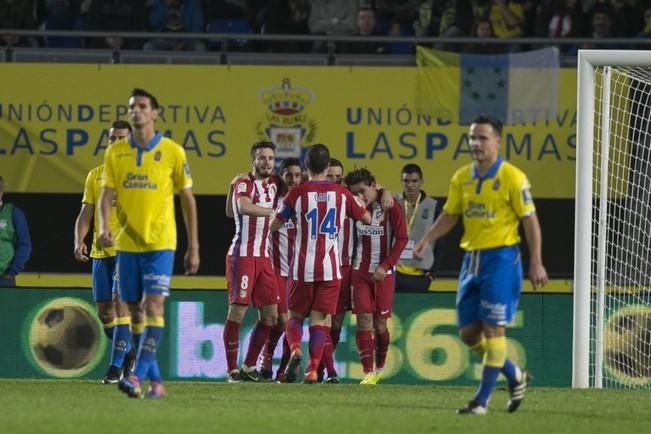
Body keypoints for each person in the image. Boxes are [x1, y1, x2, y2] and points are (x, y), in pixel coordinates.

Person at [413, 115, 548, 415]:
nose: (475, 143)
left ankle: (481, 401)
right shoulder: (461, 177)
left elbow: (530, 222)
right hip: (470, 261)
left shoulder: (513, 177)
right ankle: (514, 375)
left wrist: (536, 262)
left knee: (493, 330)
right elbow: (450, 215)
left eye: (482, 137)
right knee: (468, 334)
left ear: (498, 142)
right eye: (472, 137)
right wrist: (428, 240)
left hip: (501, 259)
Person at [98, 88, 200, 399]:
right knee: (134, 312)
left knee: (153, 306)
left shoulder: (172, 152)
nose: (136, 111)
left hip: (160, 243)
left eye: (143, 106)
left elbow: (187, 200)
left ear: (154, 113)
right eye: (132, 107)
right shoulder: (115, 153)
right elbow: (105, 196)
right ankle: (156, 382)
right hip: (127, 244)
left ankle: (136, 377)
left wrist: (193, 245)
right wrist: (104, 227)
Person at [270, 144, 371, 384]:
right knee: (319, 320)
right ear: (327, 167)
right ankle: (313, 369)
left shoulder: (297, 194)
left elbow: (276, 223)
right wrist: (360, 202)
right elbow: (365, 218)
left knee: (295, 316)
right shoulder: (342, 194)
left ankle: (295, 348)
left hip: (301, 267)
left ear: (306, 167)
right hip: (331, 267)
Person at [74, 120, 138, 384]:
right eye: (113, 138)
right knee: (104, 312)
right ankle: (129, 350)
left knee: (119, 301)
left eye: (122, 138)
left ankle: (114, 368)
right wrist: (79, 239)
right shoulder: (95, 175)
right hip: (101, 253)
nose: (117, 143)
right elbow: (85, 213)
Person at [223, 141, 283, 383]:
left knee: (270, 316)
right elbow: (242, 207)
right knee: (237, 311)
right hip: (242, 256)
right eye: (262, 158)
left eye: (270, 158)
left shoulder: (275, 185)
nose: (267, 162)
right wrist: (272, 213)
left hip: (264, 258)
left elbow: (229, 212)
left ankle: (248, 366)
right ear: (253, 161)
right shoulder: (245, 183)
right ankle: (231, 371)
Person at [345, 168, 408, 385]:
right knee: (364, 322)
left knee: (380, 325)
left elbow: (402, 239)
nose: (360, 197)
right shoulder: (353, 205)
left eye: (363, 191)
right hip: (360, 272)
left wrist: (386, 265)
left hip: (384, 274)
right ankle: (368, 373)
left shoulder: (390, 205)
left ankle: (380, 367)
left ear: (373, 186)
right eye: (355, 193)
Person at [259, 157, 303, 382]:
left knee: (289, 320)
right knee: (281, 318)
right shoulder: (274, 196)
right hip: (275, 267)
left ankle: (281, 371)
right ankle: (266, 354)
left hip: (299, 272)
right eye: (289, 175)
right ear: (282, 175)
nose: (293, 179)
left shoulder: (305, 199)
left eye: (297, 175)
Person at [394, 164, 440, 292]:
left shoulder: (432, 206)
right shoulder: (394, 203)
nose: (410, 185)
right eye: (406, 181)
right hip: (395, 272)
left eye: (414, 181)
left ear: (421, 181)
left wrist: (433, 273)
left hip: (420, 275)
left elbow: (440, 241)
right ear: (401, 181)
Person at [0, 176, 31, 287]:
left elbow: (24, 244)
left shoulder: (14, 213)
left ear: (2, 191)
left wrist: (12, 271)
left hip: (4, 278)